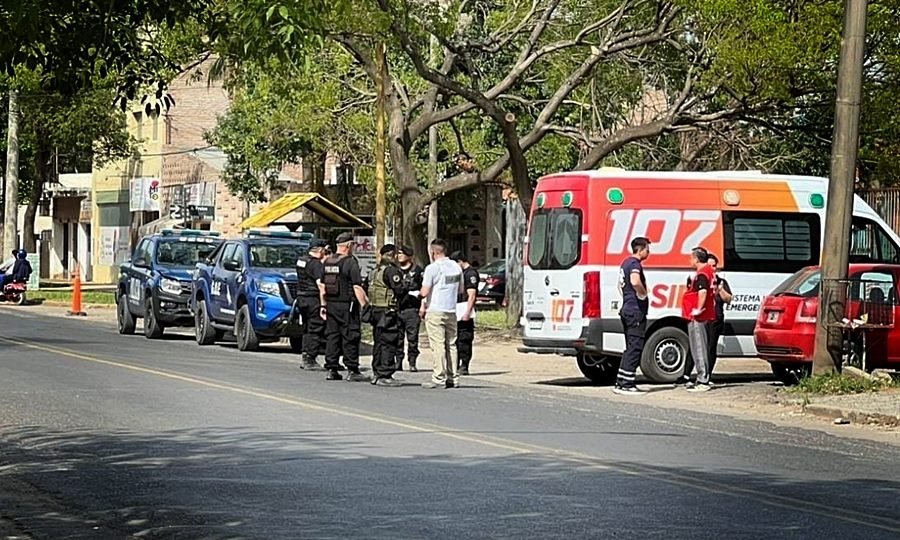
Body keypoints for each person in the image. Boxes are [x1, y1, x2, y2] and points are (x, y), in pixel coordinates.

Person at [321, 233, 370, 382]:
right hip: (347, 306)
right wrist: (366, 306)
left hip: (331, 305)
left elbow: (322, 287)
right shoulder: (350, 262)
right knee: (351, 336)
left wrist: (323, 305)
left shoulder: (328, 262)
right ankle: (352, 369)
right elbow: (356, 286)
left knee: (333, 336)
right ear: (349, 245)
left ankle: (332, 368)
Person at [419, 239, 463, 389]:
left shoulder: (432, 268)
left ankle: (438, 377)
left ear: (433, 252)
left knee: (437, 346)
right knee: (451, 345)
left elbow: (424, 291)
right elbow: (461, 290)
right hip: (451, 309)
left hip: (435, 310)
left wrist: (416, 296)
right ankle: (453, 377)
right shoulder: (456, 267)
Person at [614, 237, 651, 395]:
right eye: (647, 249)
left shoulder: (625, 263)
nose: (648, 252)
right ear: (641, 249)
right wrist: (642, 294)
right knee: (635, 347)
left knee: (629, 347)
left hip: (627, 309)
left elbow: (619, 286)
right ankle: (627, 383)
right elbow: (635, 281)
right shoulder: (635, 264)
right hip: (635, 311)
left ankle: (621, 380)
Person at [679, 247, 717, 392]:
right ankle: (702, 378)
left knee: (699, 347)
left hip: (698, 316)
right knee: (699, 346)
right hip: (700, 315)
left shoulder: (702, 273)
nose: (690, 260)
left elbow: (703, 291)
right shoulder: (708, 272)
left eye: (691, 258)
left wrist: (698, 308)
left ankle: (703, 380)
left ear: (696, 259)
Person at [366, 244, 405, 387]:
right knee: (388, 342)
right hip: (387, 311)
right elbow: (400, 290)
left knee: (379, 342)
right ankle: (385, 373)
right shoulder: (391, 271)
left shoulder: (375, 270)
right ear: (392, 254)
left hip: (375, 310)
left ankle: (377, 371)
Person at [295, 240, 328, 370]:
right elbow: (321, 286)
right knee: (316, 328)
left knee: (307, 328)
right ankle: (310, 358)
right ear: (320, 250)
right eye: (324, 250)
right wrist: (323, 305)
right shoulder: (316, 264)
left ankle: (305, 355)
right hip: (313, 298)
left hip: (301, 298)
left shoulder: (301, 261)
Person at [395, 246, 424, 372]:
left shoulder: (417, 271)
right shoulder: (395, 271)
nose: (399, 256)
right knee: (397, 337)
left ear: (409, 256)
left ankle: (412, 362)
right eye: (399, 253)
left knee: (412, 338)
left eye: (402, 254)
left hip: (412, 309)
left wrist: (423, 306)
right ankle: (398, 361)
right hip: (397, 308)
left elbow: (424, 290)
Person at [451, 251, 479, 376]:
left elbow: (472, 295)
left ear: (460, 262)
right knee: (455, 339)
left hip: (464, 309)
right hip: (456, 310)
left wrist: (467, 311)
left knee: (464, 339)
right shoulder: (459, 273)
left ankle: (464, 364)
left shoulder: (470, 273)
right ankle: (454, 364)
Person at [706, 253, 733, 381]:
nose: (713, 268)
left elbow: (729, 299)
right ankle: (687, 375)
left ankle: (708, 374)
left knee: (711, 348)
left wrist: (720, 289)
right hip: (703, 320)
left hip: (716, 319)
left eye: (714, 266)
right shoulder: (702, 279)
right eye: (710, 266)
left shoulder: (721, 281)